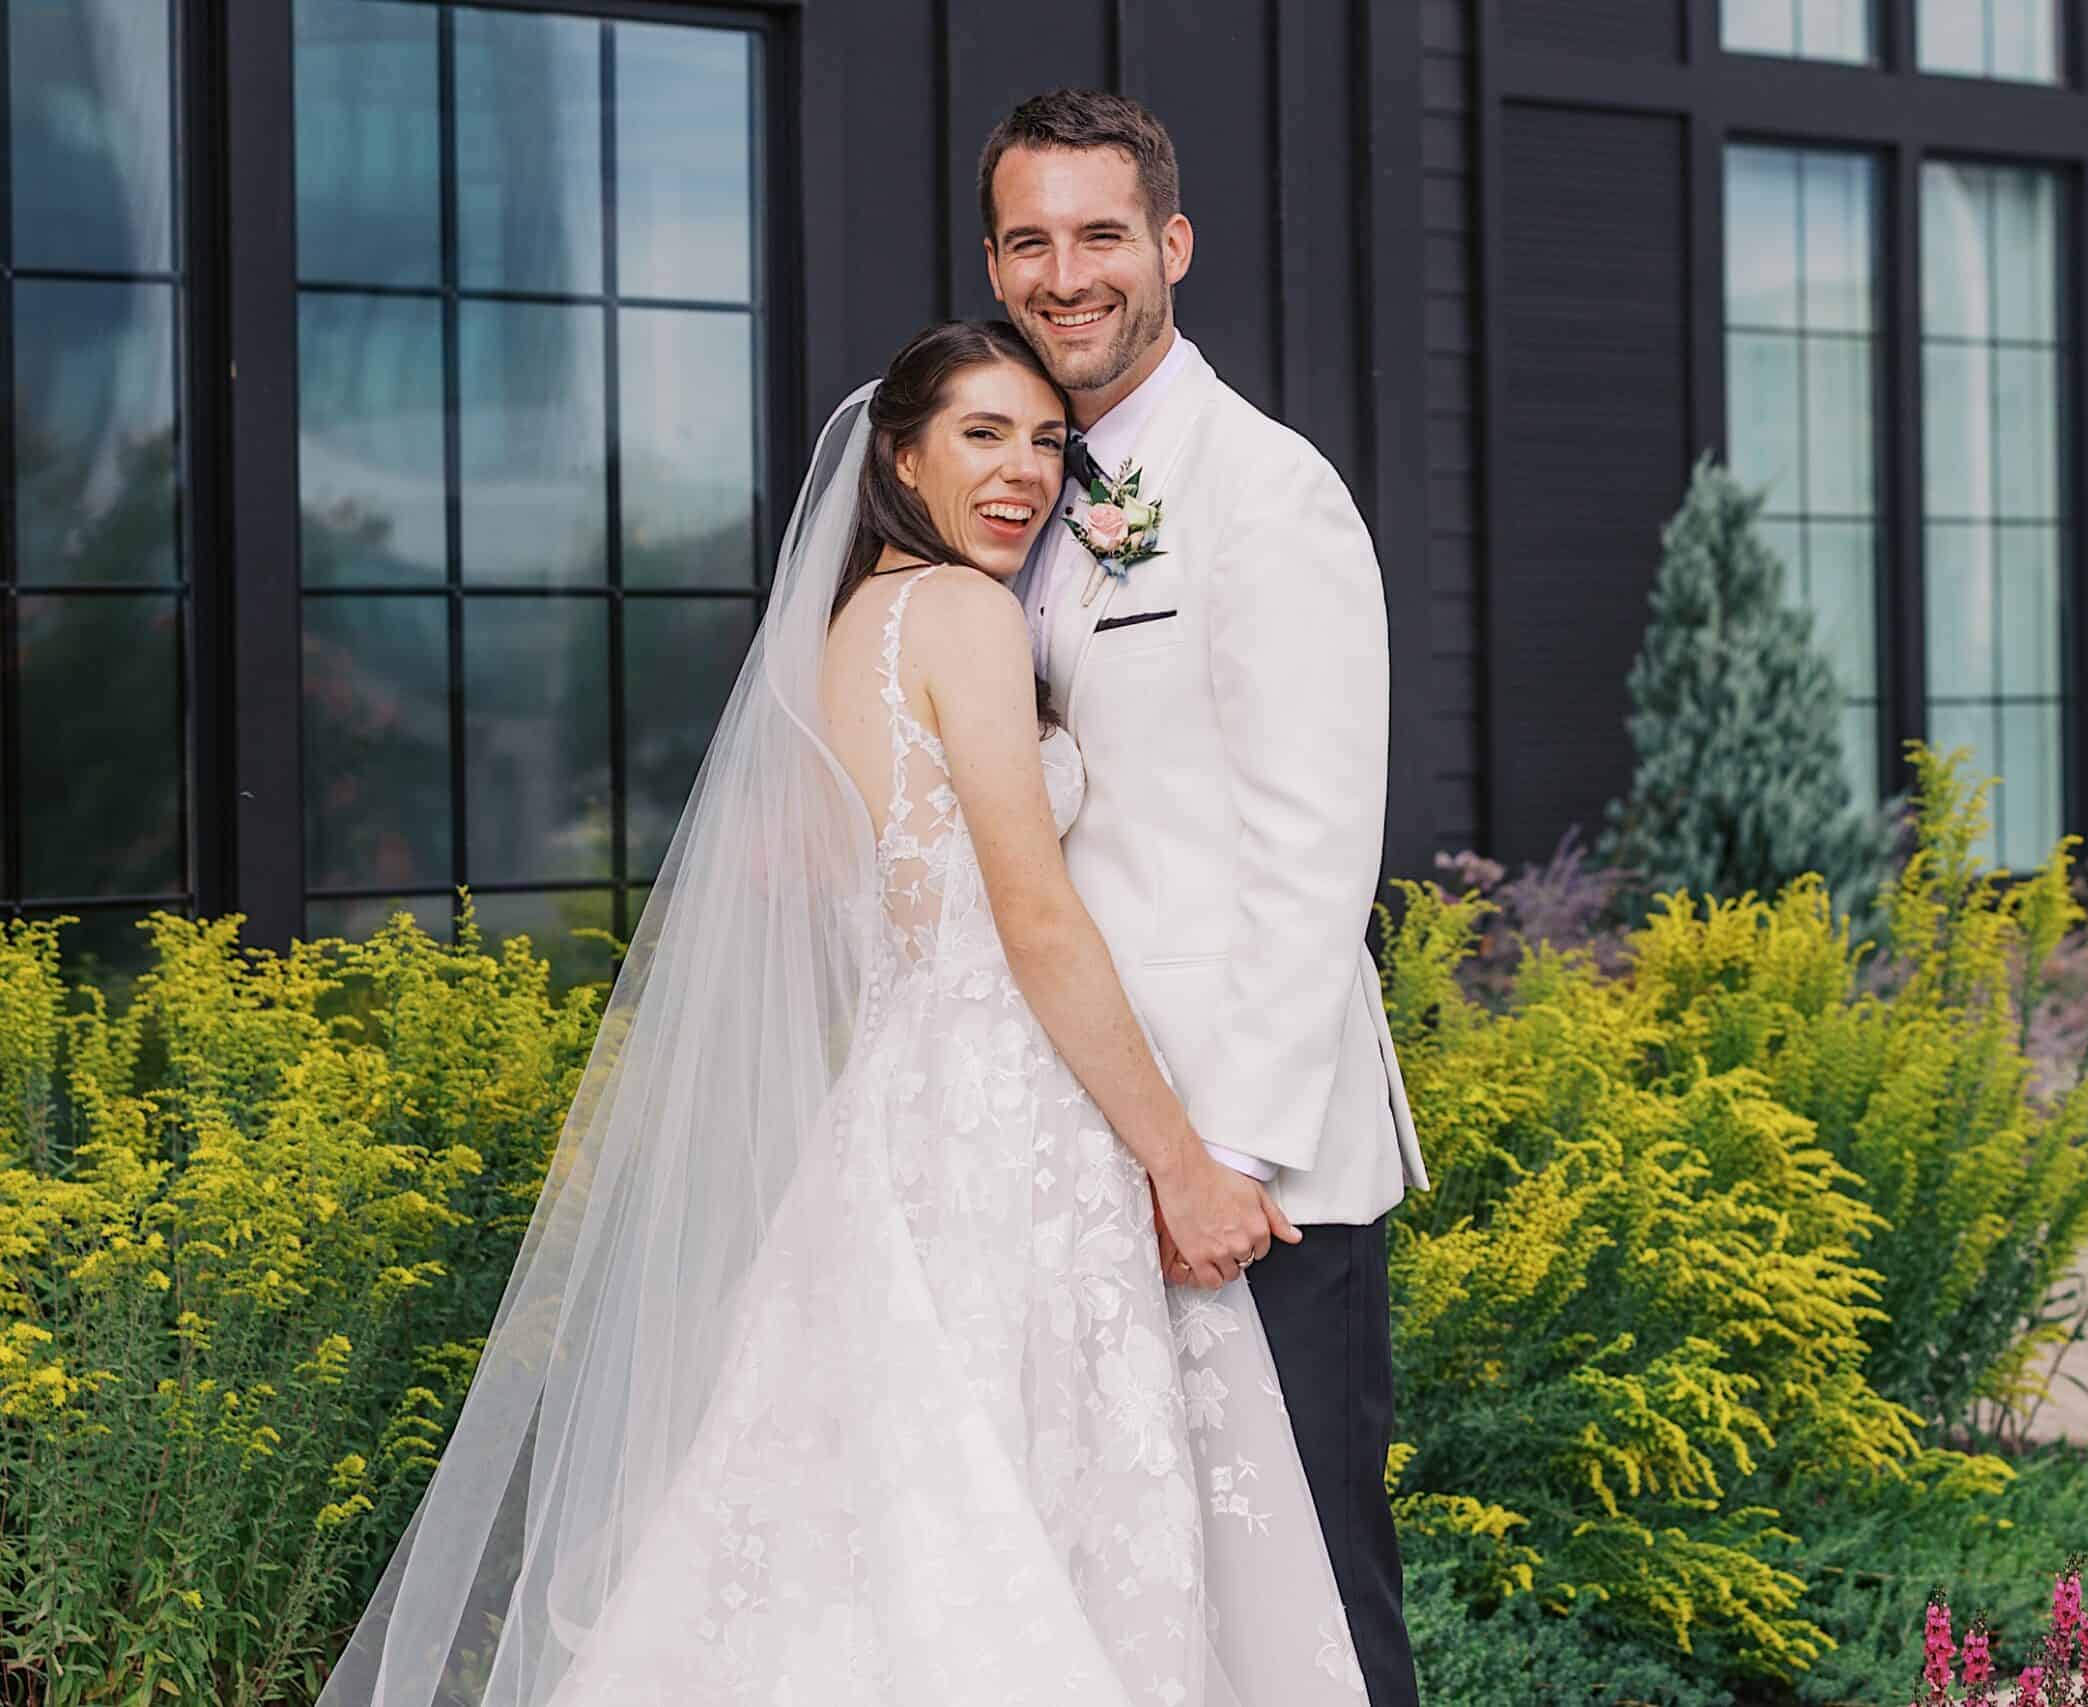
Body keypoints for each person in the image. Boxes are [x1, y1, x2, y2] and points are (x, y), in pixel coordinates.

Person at [315, 318, 1370, 1704]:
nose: (1026, 473)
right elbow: (1036, 921)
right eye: (983, 436)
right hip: (1009, 1125)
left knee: (874, 1524)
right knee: (1014, 1527)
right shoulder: (965, 615)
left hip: (895, 1118)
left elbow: (830, 891)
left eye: (1047, 441)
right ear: (901, 453)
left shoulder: (843, 635)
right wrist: (1182, 1159)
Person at [983, 89, 1428, 1706]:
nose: (1065, 272)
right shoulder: (1017, 490)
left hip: (1257, 1169)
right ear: (997, 261)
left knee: (1307, 1588)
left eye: (1101, 234)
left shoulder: (1267, 489)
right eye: (1030, 241)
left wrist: (1219, 1159)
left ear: (1171, 245)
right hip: (1070, 1134)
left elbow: (1316, 854)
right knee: (1132, 1594)